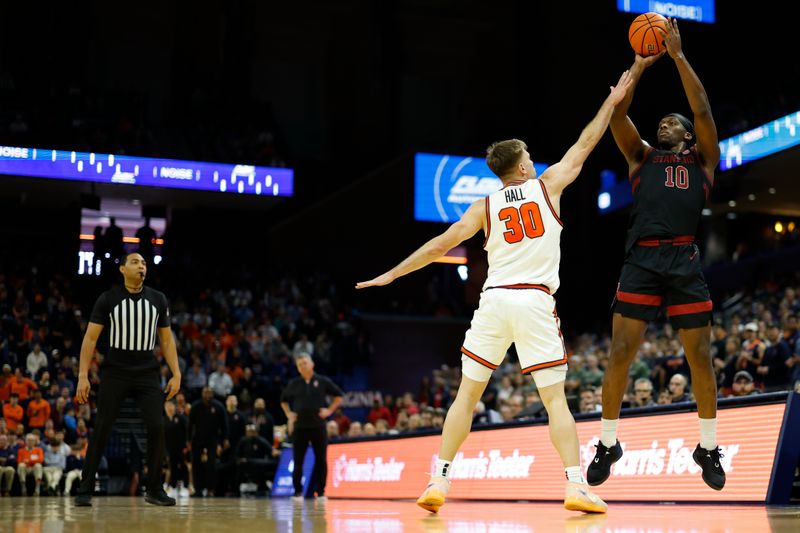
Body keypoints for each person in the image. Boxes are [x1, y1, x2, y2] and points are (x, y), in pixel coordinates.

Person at [356, 70, 634, 514]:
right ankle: (576, 485)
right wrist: (615, 100)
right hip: (534, 300)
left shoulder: (483, 206)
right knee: (554, 400)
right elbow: (587, 141)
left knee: (466, 395)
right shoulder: (549, 185)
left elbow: (439, 245)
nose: (534, 160)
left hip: (494, 300)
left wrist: (392, 274)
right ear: (523, 165)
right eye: (530, 156)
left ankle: (438, 480)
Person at [589, 18, 725, 492]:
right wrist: (640, 64)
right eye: (661, 122)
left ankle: (707, 447)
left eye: (673, 123)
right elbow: (617, 113)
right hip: (641, 261)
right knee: (620, 354)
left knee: (701, 359)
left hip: (683, 261)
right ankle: (608, 444)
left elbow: (703, 109)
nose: (663, 123)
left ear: (687, 137)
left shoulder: (703, 160)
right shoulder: (640, 157)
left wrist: (679, 56)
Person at [74, 252, 182, 506]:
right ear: (122, 269)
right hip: (116, 369)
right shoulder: (108, 298)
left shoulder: (158, 299)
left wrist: (176, 373)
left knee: (157, 426)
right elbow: (90, 338)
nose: (141, 266)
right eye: (135, 262)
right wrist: (82, 375)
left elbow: (166, 339)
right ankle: (85, 488)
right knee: (102, 427)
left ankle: (154, 488)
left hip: (147, 370)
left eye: (144, 262)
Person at [280, 352, 344, 501]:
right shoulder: (294, 384)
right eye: (299, 365)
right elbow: (283, 400)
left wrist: (329, 411)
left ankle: (320, 492)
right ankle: (297, 492)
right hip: (300, 427)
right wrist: (289, 414)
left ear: (312, 364)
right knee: (298, 460)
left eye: (305, 363)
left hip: (318, 426)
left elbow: (339, 396)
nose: (302, 366)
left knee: (321, 459)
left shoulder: (322, 381)